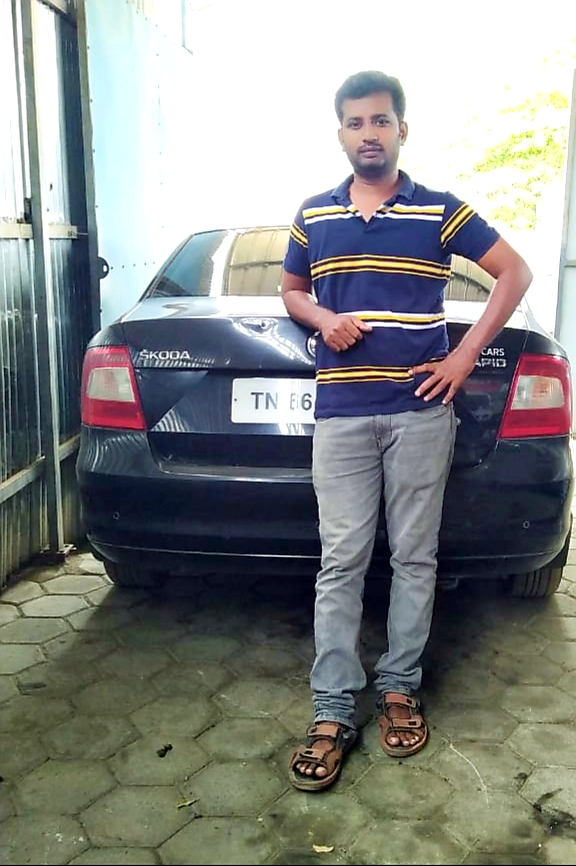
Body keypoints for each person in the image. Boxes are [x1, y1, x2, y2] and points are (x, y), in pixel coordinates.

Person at [280, 70, 532, 792]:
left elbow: (514, 273)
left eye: (381, 121)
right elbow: (292, 289)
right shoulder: (312, 215)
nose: (369, 133)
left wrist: (461, 356)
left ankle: (399, 688)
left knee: (415, 557)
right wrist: (323, 317)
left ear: (401, 130)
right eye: (356, 122)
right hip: (342, 415)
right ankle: (332, 710)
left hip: (421, 413)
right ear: (341, 133)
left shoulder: (440, 211)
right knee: (342, 561)